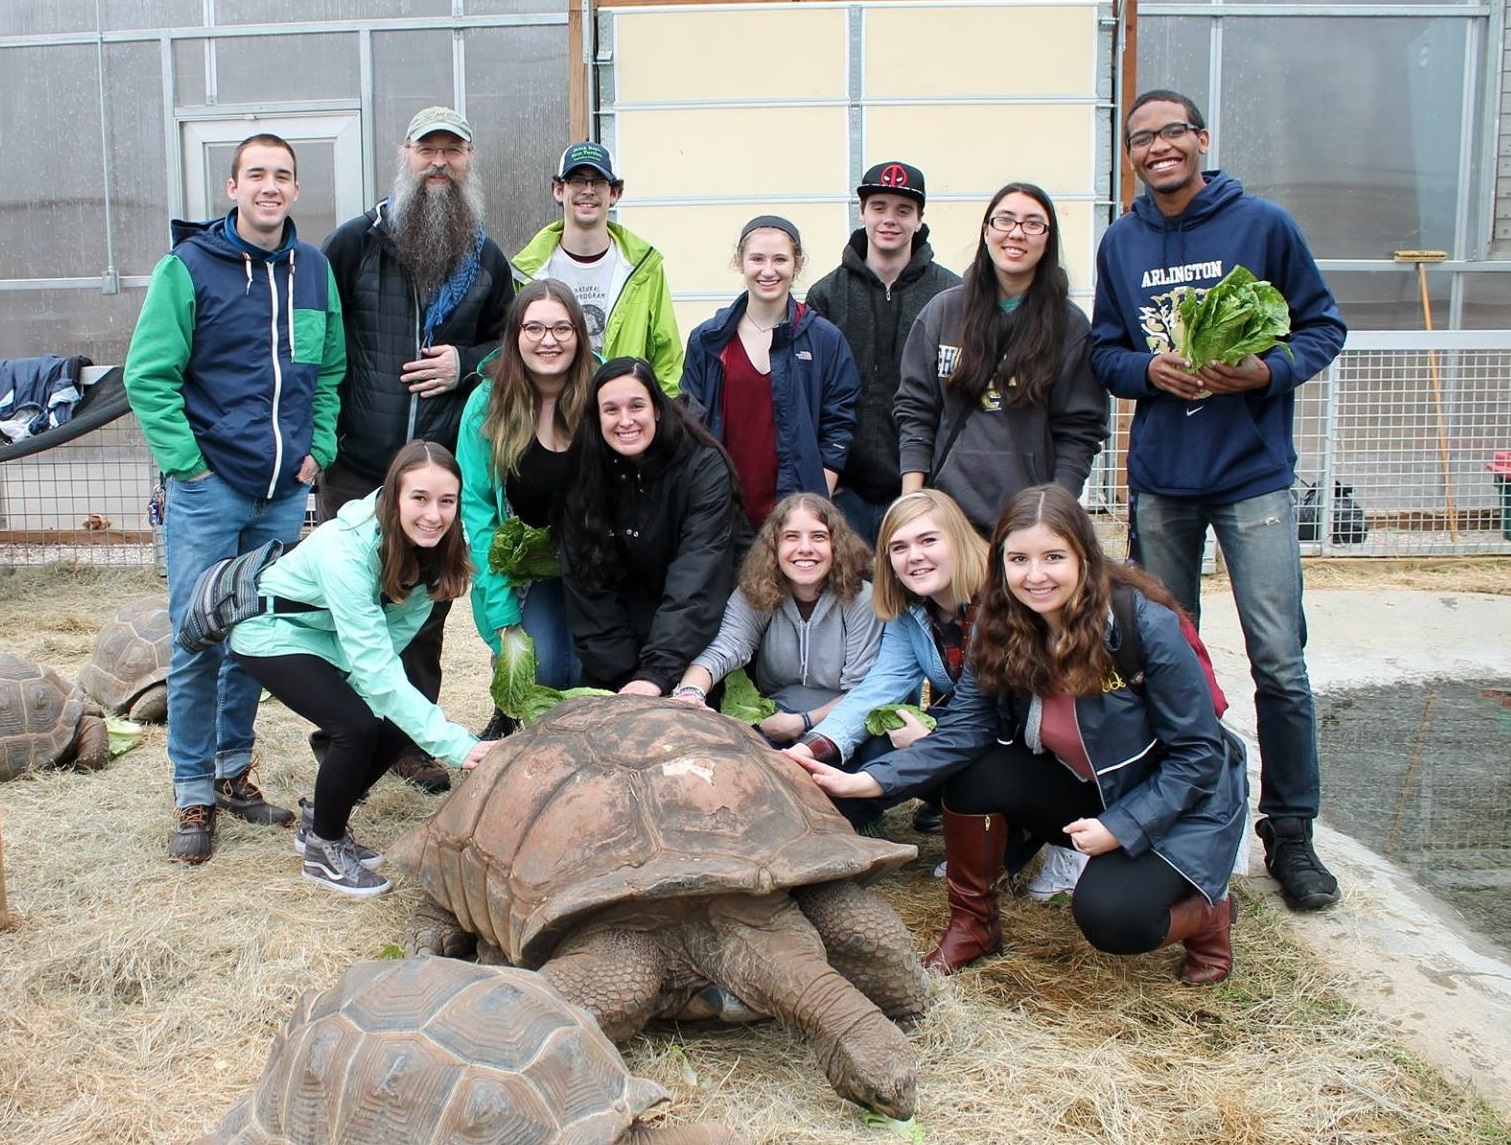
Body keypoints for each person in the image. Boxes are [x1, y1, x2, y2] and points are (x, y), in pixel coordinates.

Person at [796, 484, 1248, 985]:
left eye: (1053, 556)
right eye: (1018, 559)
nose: (1035, 576)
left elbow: (1199, 755)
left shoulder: (1143, 625)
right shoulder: (1000, 623)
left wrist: (1122, 826)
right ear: (1000, 563)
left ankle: (1209, 915)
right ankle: (974, 927)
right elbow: (964, 730)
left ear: (1084, 555)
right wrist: (869, 782)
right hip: (1083, 790)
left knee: (1113, 920)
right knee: (973, 770)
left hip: (1175, 802)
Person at [1090, 89, 1348, 912]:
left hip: (1252, 475)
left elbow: (1320, 326)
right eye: (1141, 139)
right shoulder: (1122, 242)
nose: (1157, 148)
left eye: (1171, 132)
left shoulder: (1263, 225)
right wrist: (1147, 372)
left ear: (1200, 139)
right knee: (1169, 657)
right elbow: (1103, 349)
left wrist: (1262, 371)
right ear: (1130, 154)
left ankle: (1290, 830)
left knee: (1278, 657)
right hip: (1163, 479)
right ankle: (1188, 814)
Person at [124, 133, 344, 864]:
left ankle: (231, 772)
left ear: (296, 191)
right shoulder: (188, 270)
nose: (269, 187)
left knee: (254, 639)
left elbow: (331, 369)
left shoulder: (312, 270)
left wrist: (319, 450)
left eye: (282, 175)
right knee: (197, 638)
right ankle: (191, 787)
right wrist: (189, 468)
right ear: (231, 187)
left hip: (282, 496)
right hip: (210, 492)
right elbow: (148, 377)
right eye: (256, 174)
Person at [320, 105, 516, 794]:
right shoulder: (353, 244)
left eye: (452, 151)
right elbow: (319, 341)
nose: (439, 162)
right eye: (426, 149)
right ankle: (342, 736)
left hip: (437, 467)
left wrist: (462, 362)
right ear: (404, 155)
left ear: (468, 160)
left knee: (425, 610)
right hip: (359, 463)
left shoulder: (486, 258)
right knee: (351, 609)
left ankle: (407, 741)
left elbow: (512, 348)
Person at [231, 441, 496, 896]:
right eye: (419, 498)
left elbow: (395, 634)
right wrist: (458, 746)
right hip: (272, 631)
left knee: (393, 723)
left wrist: (385, 701)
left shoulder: (441, 545)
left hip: (327, 636)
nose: (434, 514)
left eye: (446, 501)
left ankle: (322, 819)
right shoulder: (345, 549)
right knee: (355, 726)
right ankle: (324, 851)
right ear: (394, 496)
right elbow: (374, 668)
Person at [895, 182, 1108, 537]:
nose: (1017, 233)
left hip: (1029, 520)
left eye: (1033, 224)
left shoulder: (1069, 327)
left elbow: (1079, 431)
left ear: (1048, 238)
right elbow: (916, 412)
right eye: (1005, 220)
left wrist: (1057, 512)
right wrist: (913, 505)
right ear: (986, 230)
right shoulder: (942, 312)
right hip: (948, 516)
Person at [783, 489, 986, 836]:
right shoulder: (910, 613)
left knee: (914, 750)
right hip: (966, 728)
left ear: (958, 539)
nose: (914, 557)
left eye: (928, 540)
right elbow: (879, 687)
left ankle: (1023, 831)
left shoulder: (996, 602)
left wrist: (930, 740)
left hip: (1015, 740)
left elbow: (992, 715)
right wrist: (805, 750)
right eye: (899, 547)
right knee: (877, 742)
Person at [557, 358, 745, 695]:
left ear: (658, 409)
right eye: (611, 410)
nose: (625, 420)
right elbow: (588, 586)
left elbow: (697, 578)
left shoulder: (703, 468)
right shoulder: (584, 474)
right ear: (596, 417)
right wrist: (626, 677)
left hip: (695, 642)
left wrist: (656, 674)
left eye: (637, 406)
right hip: (619, 651)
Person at [457, 280, 594, 730]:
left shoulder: (602, 393)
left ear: (579, 334)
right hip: (525, 573)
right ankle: (511, 715)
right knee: (545, 674)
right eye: (534, 328)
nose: (548, 340)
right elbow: (476, 512)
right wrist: (501, 611)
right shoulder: (486, 403)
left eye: (561, 328)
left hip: (596, 565)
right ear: (515, 335)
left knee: (589, 677)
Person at [805, 161, 961, 544]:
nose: (889, 219)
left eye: (903, 210)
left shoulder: (951, 296)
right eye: (879, 207)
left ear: (920, 220)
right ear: (862, 213)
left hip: (927, 489)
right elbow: (815, 399)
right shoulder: (825, 296)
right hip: (847, 492)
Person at [681, 215, 861, 529]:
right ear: (739, 262)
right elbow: (690, 425)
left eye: (780, 259)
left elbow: (839, 423)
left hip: (797, 515)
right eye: (757, 259)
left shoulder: (824, 339)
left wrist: (818, 497)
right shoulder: (708, 340)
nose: (768, 271)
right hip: (724, 513)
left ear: (797, 264)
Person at [673, 492, 883, 745]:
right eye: (791, 537)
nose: (805, 548)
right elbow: (725, 649)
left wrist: (805, 721)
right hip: (776, 717)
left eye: (818, 537)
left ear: (836, 546)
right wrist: (689, 693)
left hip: (845, 720)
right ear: (774, 546)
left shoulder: (861, 598)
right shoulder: (758, 590)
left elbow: (861, 692)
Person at [512, 141, 682, 393]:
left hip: (621, 416)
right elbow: (512, 354)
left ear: (615, 193)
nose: (588, 190)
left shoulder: (643, 268)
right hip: (551, 414)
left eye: (599, 182)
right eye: (577, 180)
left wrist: (663, 417)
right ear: (559, 190)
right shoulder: (527, 273)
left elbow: (667, 356)